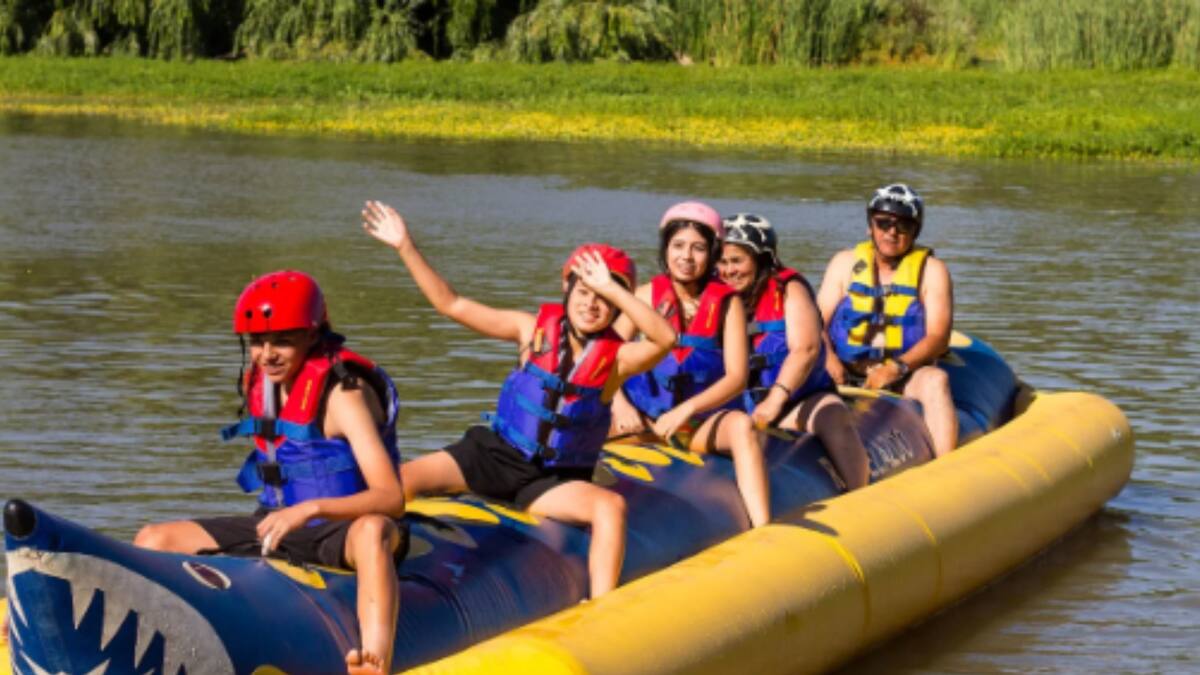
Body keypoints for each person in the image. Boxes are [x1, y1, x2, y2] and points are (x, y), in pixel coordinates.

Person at [360, 200, 674, 599]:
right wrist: (405, 245)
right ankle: (375, 566)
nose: (591, 304)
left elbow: (665, 339)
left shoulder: (617, 360)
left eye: (603, 298)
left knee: (610, 508)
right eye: (584, 291)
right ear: (567, 287)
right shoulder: (531, 330)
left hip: (551, 479)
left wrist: (613, 286)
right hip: (494, 455)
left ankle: (601, 608)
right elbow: (451, 304)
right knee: (395, 482)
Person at [134, 270, 407, 675]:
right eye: (258, 342)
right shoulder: (262, 383)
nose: (267, 354)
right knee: (153, 538)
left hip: (344, 528)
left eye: (282, 340)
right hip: (277, 523)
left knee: (373, 531)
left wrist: (309, 509)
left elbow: (391, 497)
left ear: (313, 334)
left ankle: (373, 659)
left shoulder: (343, 394)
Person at [610, 201, 771, 527]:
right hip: (643, 421)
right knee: (578, 428)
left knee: (742, 426)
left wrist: (685, 410)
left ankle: (763, 528)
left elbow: (737, 377)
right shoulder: (644, 297)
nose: (686, 256)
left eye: (698, 248)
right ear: (665, 249)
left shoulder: (728, 304)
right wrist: (620, 405)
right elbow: (604, 360)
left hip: (700, 423)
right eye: (678, 246)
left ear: (712, 253)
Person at [717, 214, 870, 489]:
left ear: (762, 260)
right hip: (741, 405)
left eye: (737, 261)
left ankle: (860, 491)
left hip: (799, 400)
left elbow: (806, 348)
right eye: (723, 262)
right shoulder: (713, 297)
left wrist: (776, 399)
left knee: (834, 416)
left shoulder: (790, 289)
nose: (729, 271)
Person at [817, 184, 958, 457]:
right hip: (844, 373)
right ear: (871, 225)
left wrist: (896, 368)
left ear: (915, 231)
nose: (891, 232)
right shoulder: (844, 263)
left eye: (902, 225)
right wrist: (829, 359)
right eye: (883, 223)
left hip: (905, 376)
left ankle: (944, 467)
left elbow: (939, 337)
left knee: (936, 380)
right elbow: (815, 323)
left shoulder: (932, 271)